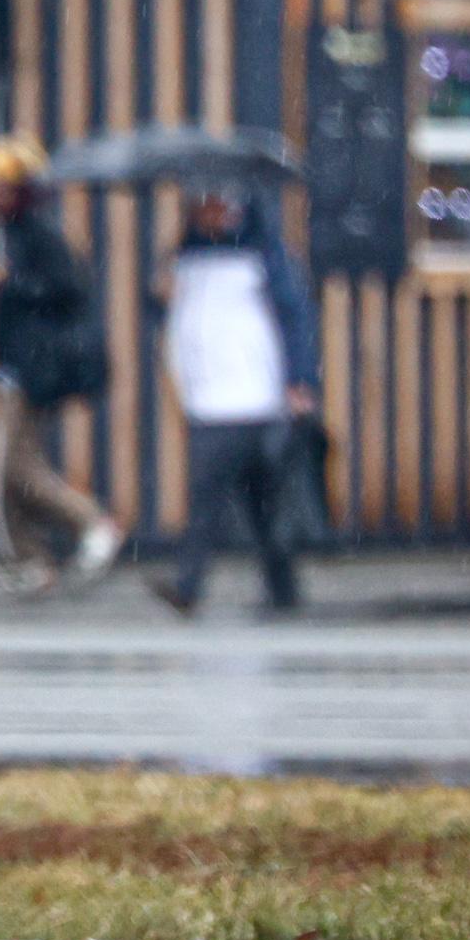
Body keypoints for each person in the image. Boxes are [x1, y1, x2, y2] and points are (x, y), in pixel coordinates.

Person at [152, 186, 319, 617]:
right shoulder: (185, 257)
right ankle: (282, 588)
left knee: (210, 498)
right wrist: (160, 296)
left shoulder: (261, 253)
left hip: (248, 393)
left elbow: (293, 314)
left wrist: (298, 379)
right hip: (208, 394)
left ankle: (189, 586)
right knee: (257, 502)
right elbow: (171, 317)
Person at [0, 133, 121, 597]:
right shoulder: (10, 231)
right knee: (7, 474)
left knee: (15, 470)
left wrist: (9, 280)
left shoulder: (36, 231)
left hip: (33, 368)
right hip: (16, 365)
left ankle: (92, 522)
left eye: (2, 184)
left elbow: (68, 288)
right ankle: (31, 562)